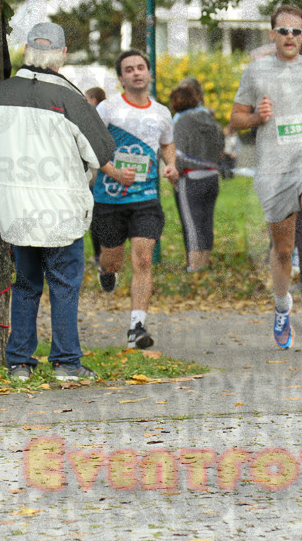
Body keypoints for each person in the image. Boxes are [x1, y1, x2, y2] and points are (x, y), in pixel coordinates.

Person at [0, 22, 135, 380]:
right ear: (63, 54)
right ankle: (67, 362)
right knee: (64, 286)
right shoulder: (70, 98)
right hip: (61, 209)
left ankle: (19, 362)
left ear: (27, 51)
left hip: (16, 209)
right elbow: (101, 150)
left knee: (25, 284)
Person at [229, 4, 302, 348]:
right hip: (274, 169)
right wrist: (256, 119)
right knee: (282, 249)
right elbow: (235, 118)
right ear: (272, 34)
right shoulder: (256, 71)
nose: (290, 37)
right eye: (283, 31)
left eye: (296, 31)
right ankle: (282, 308)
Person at [93, 49, 179, 349]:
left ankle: (137, 326)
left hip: (146, 198)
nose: (136, 73)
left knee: (143, 258)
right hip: (110, 198)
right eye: (129, 69)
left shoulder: (161, 113)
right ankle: (105, 269)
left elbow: (167, 145)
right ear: (121, 78)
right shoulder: (107, 109)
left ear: (149, 73)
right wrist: (114, 172)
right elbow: (91, 148)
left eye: (141, 67)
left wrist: (170, 165)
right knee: (113, 261)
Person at [169, 83, 225, 272]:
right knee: (207, 222)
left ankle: (194, 266)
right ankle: (204, 262)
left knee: (192, 225)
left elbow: (178, 154)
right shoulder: (209, 119)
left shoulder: (181, 122)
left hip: (190, 178)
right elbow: (221, 145)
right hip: (212, 177)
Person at [84, 86, 108, 263]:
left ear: (93, 100)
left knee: (97, 218)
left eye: (86, 99)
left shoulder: (94, 117)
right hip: (104, 177)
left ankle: (99, 254)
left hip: (96, 176)